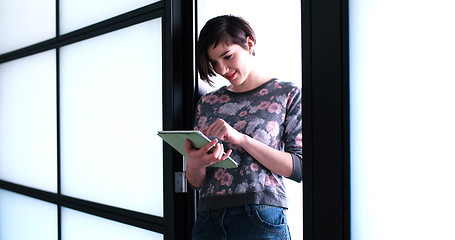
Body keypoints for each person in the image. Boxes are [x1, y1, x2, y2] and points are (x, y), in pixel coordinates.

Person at [185, 15, 302, 240]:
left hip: (260, 216)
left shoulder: (286, 94)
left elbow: (297, 168)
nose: (222, 69)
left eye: (227, 56)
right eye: (214, 63)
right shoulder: (208, 103)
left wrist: (241, 139)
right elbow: (196, 181)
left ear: (249, 44)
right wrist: (198, 162)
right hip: (208, 219)